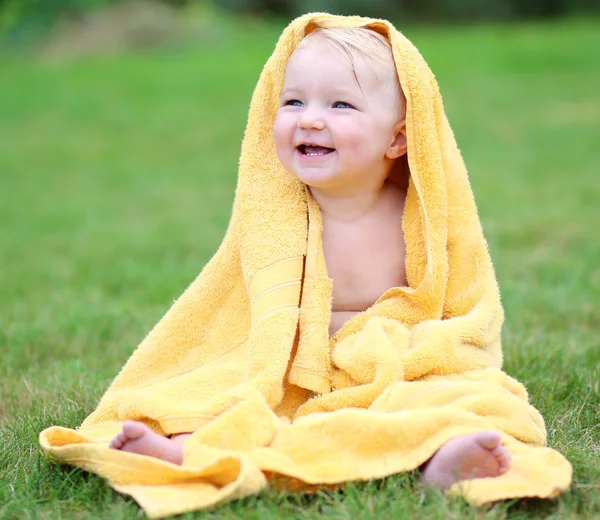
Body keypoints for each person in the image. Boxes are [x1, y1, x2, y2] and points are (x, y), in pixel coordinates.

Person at [108, 26, 511, 489]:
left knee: (454, 401)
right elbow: (228, 305)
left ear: (398, 139)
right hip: (291, 369)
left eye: (340, 105)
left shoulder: (417, 217)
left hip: (389, 367)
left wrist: (422, 351)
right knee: (213, 394)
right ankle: (184, 450)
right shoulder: (275, 217)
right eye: (294, 101)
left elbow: (457, 299)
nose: (310, 120)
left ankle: (442, 457)